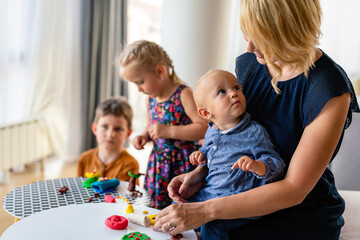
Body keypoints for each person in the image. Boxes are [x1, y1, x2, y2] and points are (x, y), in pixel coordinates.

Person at [154, 1, 360, 239]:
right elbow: (232, 135)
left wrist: (205, 210)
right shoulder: (249, 64)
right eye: (246, 32)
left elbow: (294, 190)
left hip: (297, 213)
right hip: (238, 198)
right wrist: (203, 173)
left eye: (261, 36)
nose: (250, 46)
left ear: (292, 29)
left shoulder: (327, 87)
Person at [188, 69, 285, 239]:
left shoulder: (254, 132)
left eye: (236, 87)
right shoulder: (211, 131)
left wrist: (258, 166)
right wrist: (201, 156)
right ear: (206, 113)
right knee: (179, 204)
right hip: (211, 192)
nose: (233, 93)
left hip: (236, 201)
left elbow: (277, 164)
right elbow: (210, 152)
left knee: (214, 225)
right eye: (222, 92)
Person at [118, 40, 208, 209]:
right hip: (159, 163)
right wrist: (144, 136)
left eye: (140, 81)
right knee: (156, 206)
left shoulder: (184, 94)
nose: (138, 88)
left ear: (160, 71)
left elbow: (203, 127)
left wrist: (169, 131)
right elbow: (152, 124)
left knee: (182, 204)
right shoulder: (150, 99)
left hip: (182, 163)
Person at [77, 97, 139, 183]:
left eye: (118, 129)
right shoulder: (84, 159)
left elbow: (129, 194)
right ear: (95, 129)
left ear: (128, 133)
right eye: (105, 127)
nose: (110, 134)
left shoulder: (130, 164)